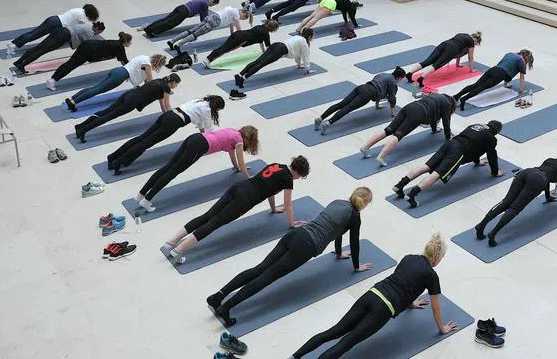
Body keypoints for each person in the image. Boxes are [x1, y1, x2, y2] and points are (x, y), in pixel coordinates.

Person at [207, 187, 376, 327]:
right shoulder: (355, 216)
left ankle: (218, 296)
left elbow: (338, 231)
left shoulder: (338, 202)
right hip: (306, 247)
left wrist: (339, 253)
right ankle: (226, 308)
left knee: (259, 269)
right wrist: (356, 266)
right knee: (266, 277)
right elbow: (354, 242)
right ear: (365, 203)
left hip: (296, 234)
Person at [287, 234, 458, 359]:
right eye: (442, 258)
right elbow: (436, 307)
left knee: (333, 331)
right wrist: (442, 328)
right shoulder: (431, 275)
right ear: (436, 257)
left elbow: (405, 281)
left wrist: (411, 302)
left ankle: (295, 356)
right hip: (383, 309)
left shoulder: (409, 258)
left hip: (371, 294)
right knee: (347, 342)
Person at [160, 156, 310, 265]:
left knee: (208, 216)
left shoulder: (277, 164)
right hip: (245, 200)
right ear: (299, 173)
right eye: (301, 177)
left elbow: (271, 189)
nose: (298, 179)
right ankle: (179, 250)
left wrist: (273, 208)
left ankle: (171, 242)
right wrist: (291, 223)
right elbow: (288, 204)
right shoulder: (288, 179)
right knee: (214, 223)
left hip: (238, 188)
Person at [134, 125, 259, 212]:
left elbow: (232, 155)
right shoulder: (239, 141)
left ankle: (141, 194)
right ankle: (147, 200)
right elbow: (242, 161)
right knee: (172, 172)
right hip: (199, 146)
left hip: (194, 138)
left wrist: (236, 168)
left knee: (167, 168)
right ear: (250, 138)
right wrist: (248, 177)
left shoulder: (233, 132)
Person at [475, 150, 557, 246]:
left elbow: (547, 177)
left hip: (528, 172)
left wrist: (548, 196)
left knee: (505, 202)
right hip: (538, 180)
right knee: (514, 209)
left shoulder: (550, 160)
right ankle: (493, 233)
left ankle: (481, 225)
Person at [392, 121, 504, 208]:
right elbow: (491, 155)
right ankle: (412, 195)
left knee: (426, 166)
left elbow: (475, 146)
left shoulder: (476, 125)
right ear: (496, 131)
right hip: (458, 151)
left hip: (450, 143)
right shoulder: (491, 138)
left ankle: (399, 185)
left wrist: (477, 161)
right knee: (436, 174)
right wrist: (495, 172)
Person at [106, 94, 224, 173]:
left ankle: (112, 157)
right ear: (217, 107)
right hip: (174, 122)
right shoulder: (207, 111)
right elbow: (209, 127)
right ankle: (119, 163)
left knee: (141, 138)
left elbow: (201, 123)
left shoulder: (198, 101)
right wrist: (216, 138)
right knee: (146, 144)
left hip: (168, 115)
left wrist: (203, 132)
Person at [73, 73, 181, 143]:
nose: (176, 87)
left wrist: (166, 114)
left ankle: (80, 126)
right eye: (177, 84)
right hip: (133, 101)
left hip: (130, 94)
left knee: (106, 111)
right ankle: (83, 131)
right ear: (173, 82)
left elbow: (162, 104)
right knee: (109, 116)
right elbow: (167, 105)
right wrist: (171, 116)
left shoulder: (158, 81)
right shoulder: (166, 88)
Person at [359, 92, 455, 167]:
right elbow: (446, 121)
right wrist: (448, 137)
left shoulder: (435, 95)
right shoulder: (447, 104)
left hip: (410, 107)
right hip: (418, 113)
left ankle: (365, 147)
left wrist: (434, 129)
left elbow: (434, 114)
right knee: (398, 135)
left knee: (388, 129)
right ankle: (381, 157)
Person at [59, 50, 166, 110]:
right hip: (121, 76)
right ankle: (74, 102)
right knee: (98, 90)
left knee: (95, 87)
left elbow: (145, 78)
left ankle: (72, 98)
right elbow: (150, 81)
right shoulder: (147, 64)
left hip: (118, 71)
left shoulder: (144, 57)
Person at [314, 70, 405, 134]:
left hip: (362, 87)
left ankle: (320, 118)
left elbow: (379, 88)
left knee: (341, 104)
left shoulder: (384, 74)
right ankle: (329, 122)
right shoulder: (393, 82)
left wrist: (377, 105)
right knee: (348, 108)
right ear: (399, 78)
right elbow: (392, 98)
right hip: (367, 94)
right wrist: (393, 113)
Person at [46, 31, 131, 96]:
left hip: (87, 44)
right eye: (130, 42)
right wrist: (129, 72)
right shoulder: (119, 47)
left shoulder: (117, 43)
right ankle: (53, 80)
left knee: (70, 63)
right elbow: (124, 61)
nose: (130, 43)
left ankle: (53, 79)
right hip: (89, 50)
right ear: (126, 41)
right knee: (72, 65)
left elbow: (123, 60)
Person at [12, 20, 105, 75]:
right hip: (62, 36)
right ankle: (22, 65)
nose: (97, 34)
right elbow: (87, 44)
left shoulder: (88, 25)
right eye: (99, 32)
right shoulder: (89, 32)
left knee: (38, 48)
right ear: (97, 28)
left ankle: (19, 62)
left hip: (61, 31)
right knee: (41, 51)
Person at [233, 28, 314, 89]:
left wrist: (299, 65)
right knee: (261, 64)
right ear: (310, 36)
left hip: (276, 45)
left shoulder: (297, 37)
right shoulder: (304, 43)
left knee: (257, 61)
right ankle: (243, 79)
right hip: (280, 50)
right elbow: (305, 56)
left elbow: (298, 55)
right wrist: (308, 69)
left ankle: (239, 75)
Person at [455, 50, 533, 110]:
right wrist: (521, 90)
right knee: (482, 87)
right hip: (500, 75)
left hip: (493, 69)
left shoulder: (510, 54)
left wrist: (507, 83)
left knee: (476, 85)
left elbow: (507, 66)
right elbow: (521, 77)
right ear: (527, 58)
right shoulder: (521, 62)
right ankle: (463, 99)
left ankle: (456, 96)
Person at [401, 32, 482, 89]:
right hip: (451, 50)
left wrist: (457, 64)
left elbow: (459, 53)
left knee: (428, 61)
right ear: (476, 40)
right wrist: (472, 69)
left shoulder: (462, 34)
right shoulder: (471, 42)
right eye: (476, 44)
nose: (475, 45)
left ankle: (409, 73)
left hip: (444, 44)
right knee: (437, 64)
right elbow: (470, 57)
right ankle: (421, 78)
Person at [8, 4, 99, 52]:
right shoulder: (82, 14)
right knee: (34, 35)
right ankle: (14, 45)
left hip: (54, 19)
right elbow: (83, 26)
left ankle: (14, 43)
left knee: (33, 33)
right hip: (56, 23)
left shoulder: (79, 10)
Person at [167, 5, 250, 52]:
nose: (240, 19)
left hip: (210, 17)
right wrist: (242, 37)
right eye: (242, 18)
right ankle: (178, 45)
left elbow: (232, 24)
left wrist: (232, 34)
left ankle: (172, 41)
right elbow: (238, 28)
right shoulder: (236, 14)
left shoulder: (232, 9)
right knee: (195, 34)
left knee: (191, 30)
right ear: (242, 13)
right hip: (215, 22)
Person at [142, 0, 220, 38]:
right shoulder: (205, 4)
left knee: (165, 19)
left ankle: (148, 28)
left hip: (181, 7)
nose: (212, 6)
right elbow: (204, 18)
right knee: (169, 24)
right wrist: (208, 25)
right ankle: (152, 31)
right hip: (184, 12)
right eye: (213, 4)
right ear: (212, 1)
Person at [205, 19, 280, 64]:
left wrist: (262, 50)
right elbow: (268, 46)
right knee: (225, 50)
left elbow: (261, 41)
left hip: (239, 33)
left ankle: (209, 58)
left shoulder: (259, 26)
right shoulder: (266, 34)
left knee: (223, 47)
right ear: (272, 29)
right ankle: (208, 59)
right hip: (242, 39)